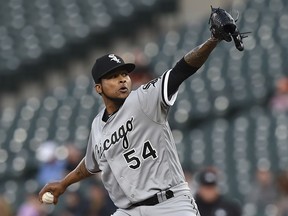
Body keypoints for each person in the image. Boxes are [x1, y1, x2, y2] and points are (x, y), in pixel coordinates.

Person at [38, 31, 222, 215]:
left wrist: (213, 40)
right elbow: (92, 162)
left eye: (124, 74)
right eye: (112, 76)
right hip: (128, 211)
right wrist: (63, 183)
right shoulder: (97, 125)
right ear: (98, 88)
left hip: (169, 203)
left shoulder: (145, 98)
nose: (122, 79)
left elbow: (181, 70)